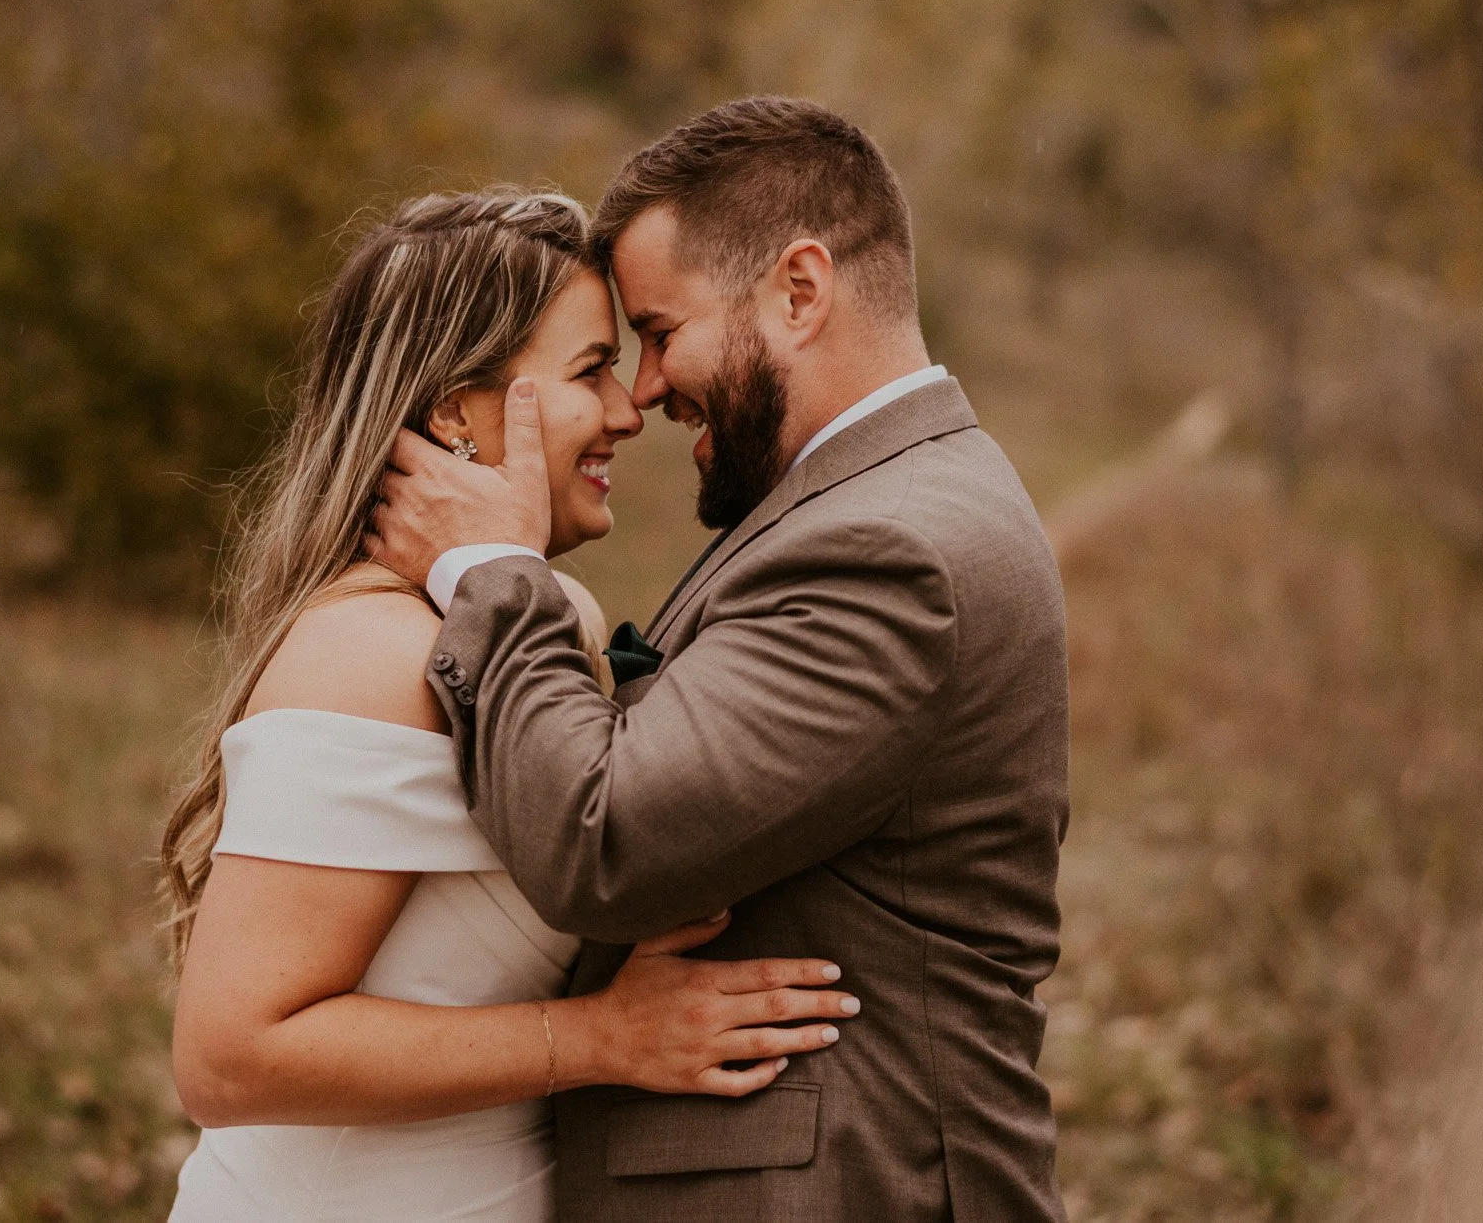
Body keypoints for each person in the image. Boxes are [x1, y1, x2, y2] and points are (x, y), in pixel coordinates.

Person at [368, 99, 1071, 1221]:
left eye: (656, 332)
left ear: (798, 291)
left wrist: (491, 573)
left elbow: (607, 843)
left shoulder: (889, 548)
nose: (643, 391)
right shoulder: (868, 503)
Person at [159, 190, 860, 1222]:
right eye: (587, 371)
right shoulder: (369, 651)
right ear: (450, 410)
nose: (627, 408)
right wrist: (601, 1038)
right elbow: (230, 1056)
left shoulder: (521, 615)